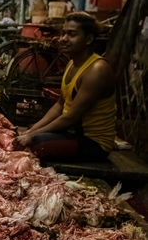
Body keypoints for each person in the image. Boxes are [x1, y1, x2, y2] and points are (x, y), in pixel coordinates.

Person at [14, 12, 116, 161]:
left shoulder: (97, 70)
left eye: (72, 34)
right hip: (73, 134)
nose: (63, 39)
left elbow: (71, 117)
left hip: (94, 143)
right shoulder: (71, 64)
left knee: (38, 144)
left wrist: (32, 135)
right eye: (63, 33)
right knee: (29, 137)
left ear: (88, 39)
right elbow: (60, 105)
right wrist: (31, 129)